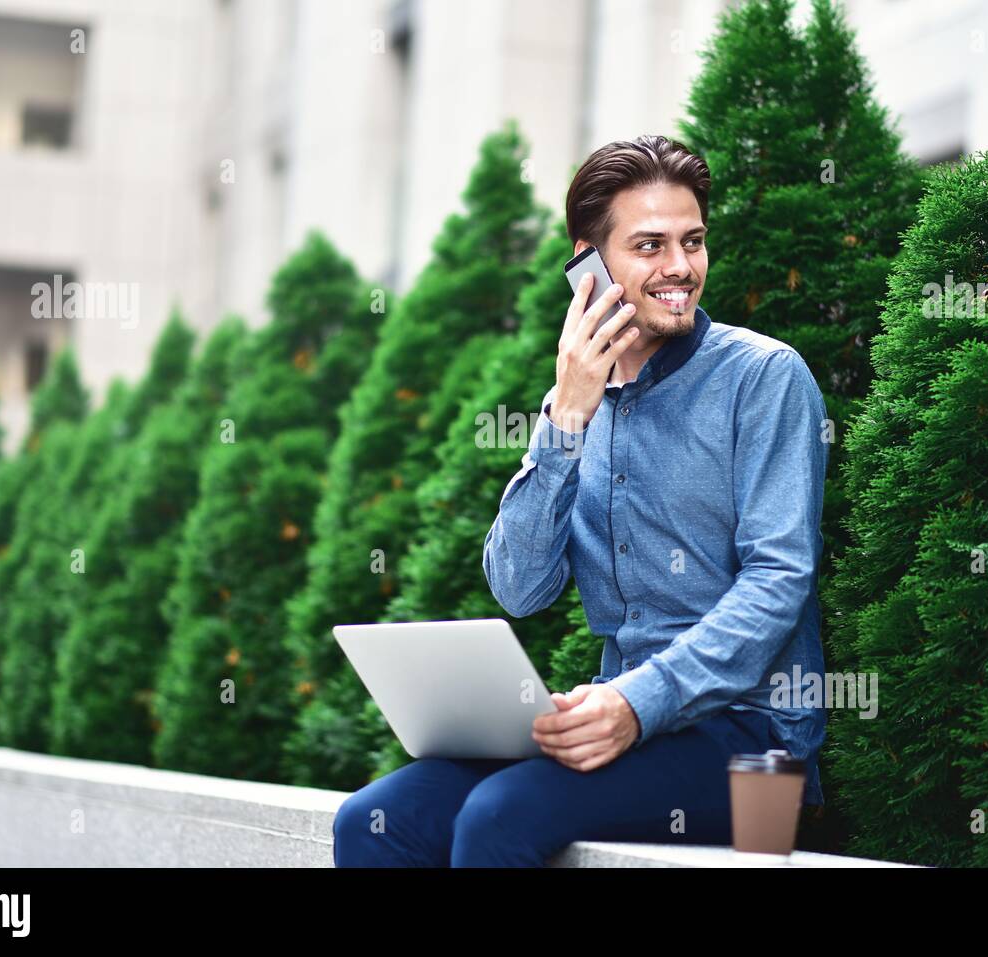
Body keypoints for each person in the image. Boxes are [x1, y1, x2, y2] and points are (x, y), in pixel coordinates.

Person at [333, 134, 829, 867]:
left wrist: (637, 703)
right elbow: (519, 586)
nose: (681, 268)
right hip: (616, 718)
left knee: (501, 816)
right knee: (373, 819)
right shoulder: (577, 403)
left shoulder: (763, 377)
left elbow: (778, 580)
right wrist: (566, 419)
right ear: (588, 266)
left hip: (752, 741)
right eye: (650, 245)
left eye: (692, 242)